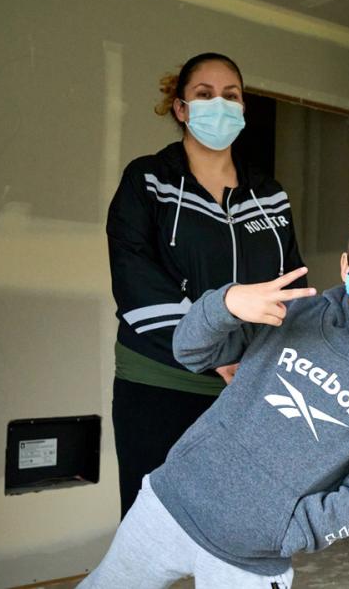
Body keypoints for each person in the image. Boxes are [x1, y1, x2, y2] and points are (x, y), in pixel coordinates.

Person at [81, 198, 349, 588]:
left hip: (253, 558)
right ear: (345, 266)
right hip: (169, 504)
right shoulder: (292, 313)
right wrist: (226, 303)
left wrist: (289, 530)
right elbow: (188, 350)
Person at [107, 52, 306, 517]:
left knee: (238, 522)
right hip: (159, 380)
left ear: (243, 108)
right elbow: (135, 280)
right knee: (150, 521)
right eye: (205, 94)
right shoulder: (148, 180)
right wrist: (213, 352)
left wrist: (273, 360)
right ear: (181, 109)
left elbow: (291, 282)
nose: (220, 104)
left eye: (231, 95)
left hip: (248, 386)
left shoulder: (269, 193)